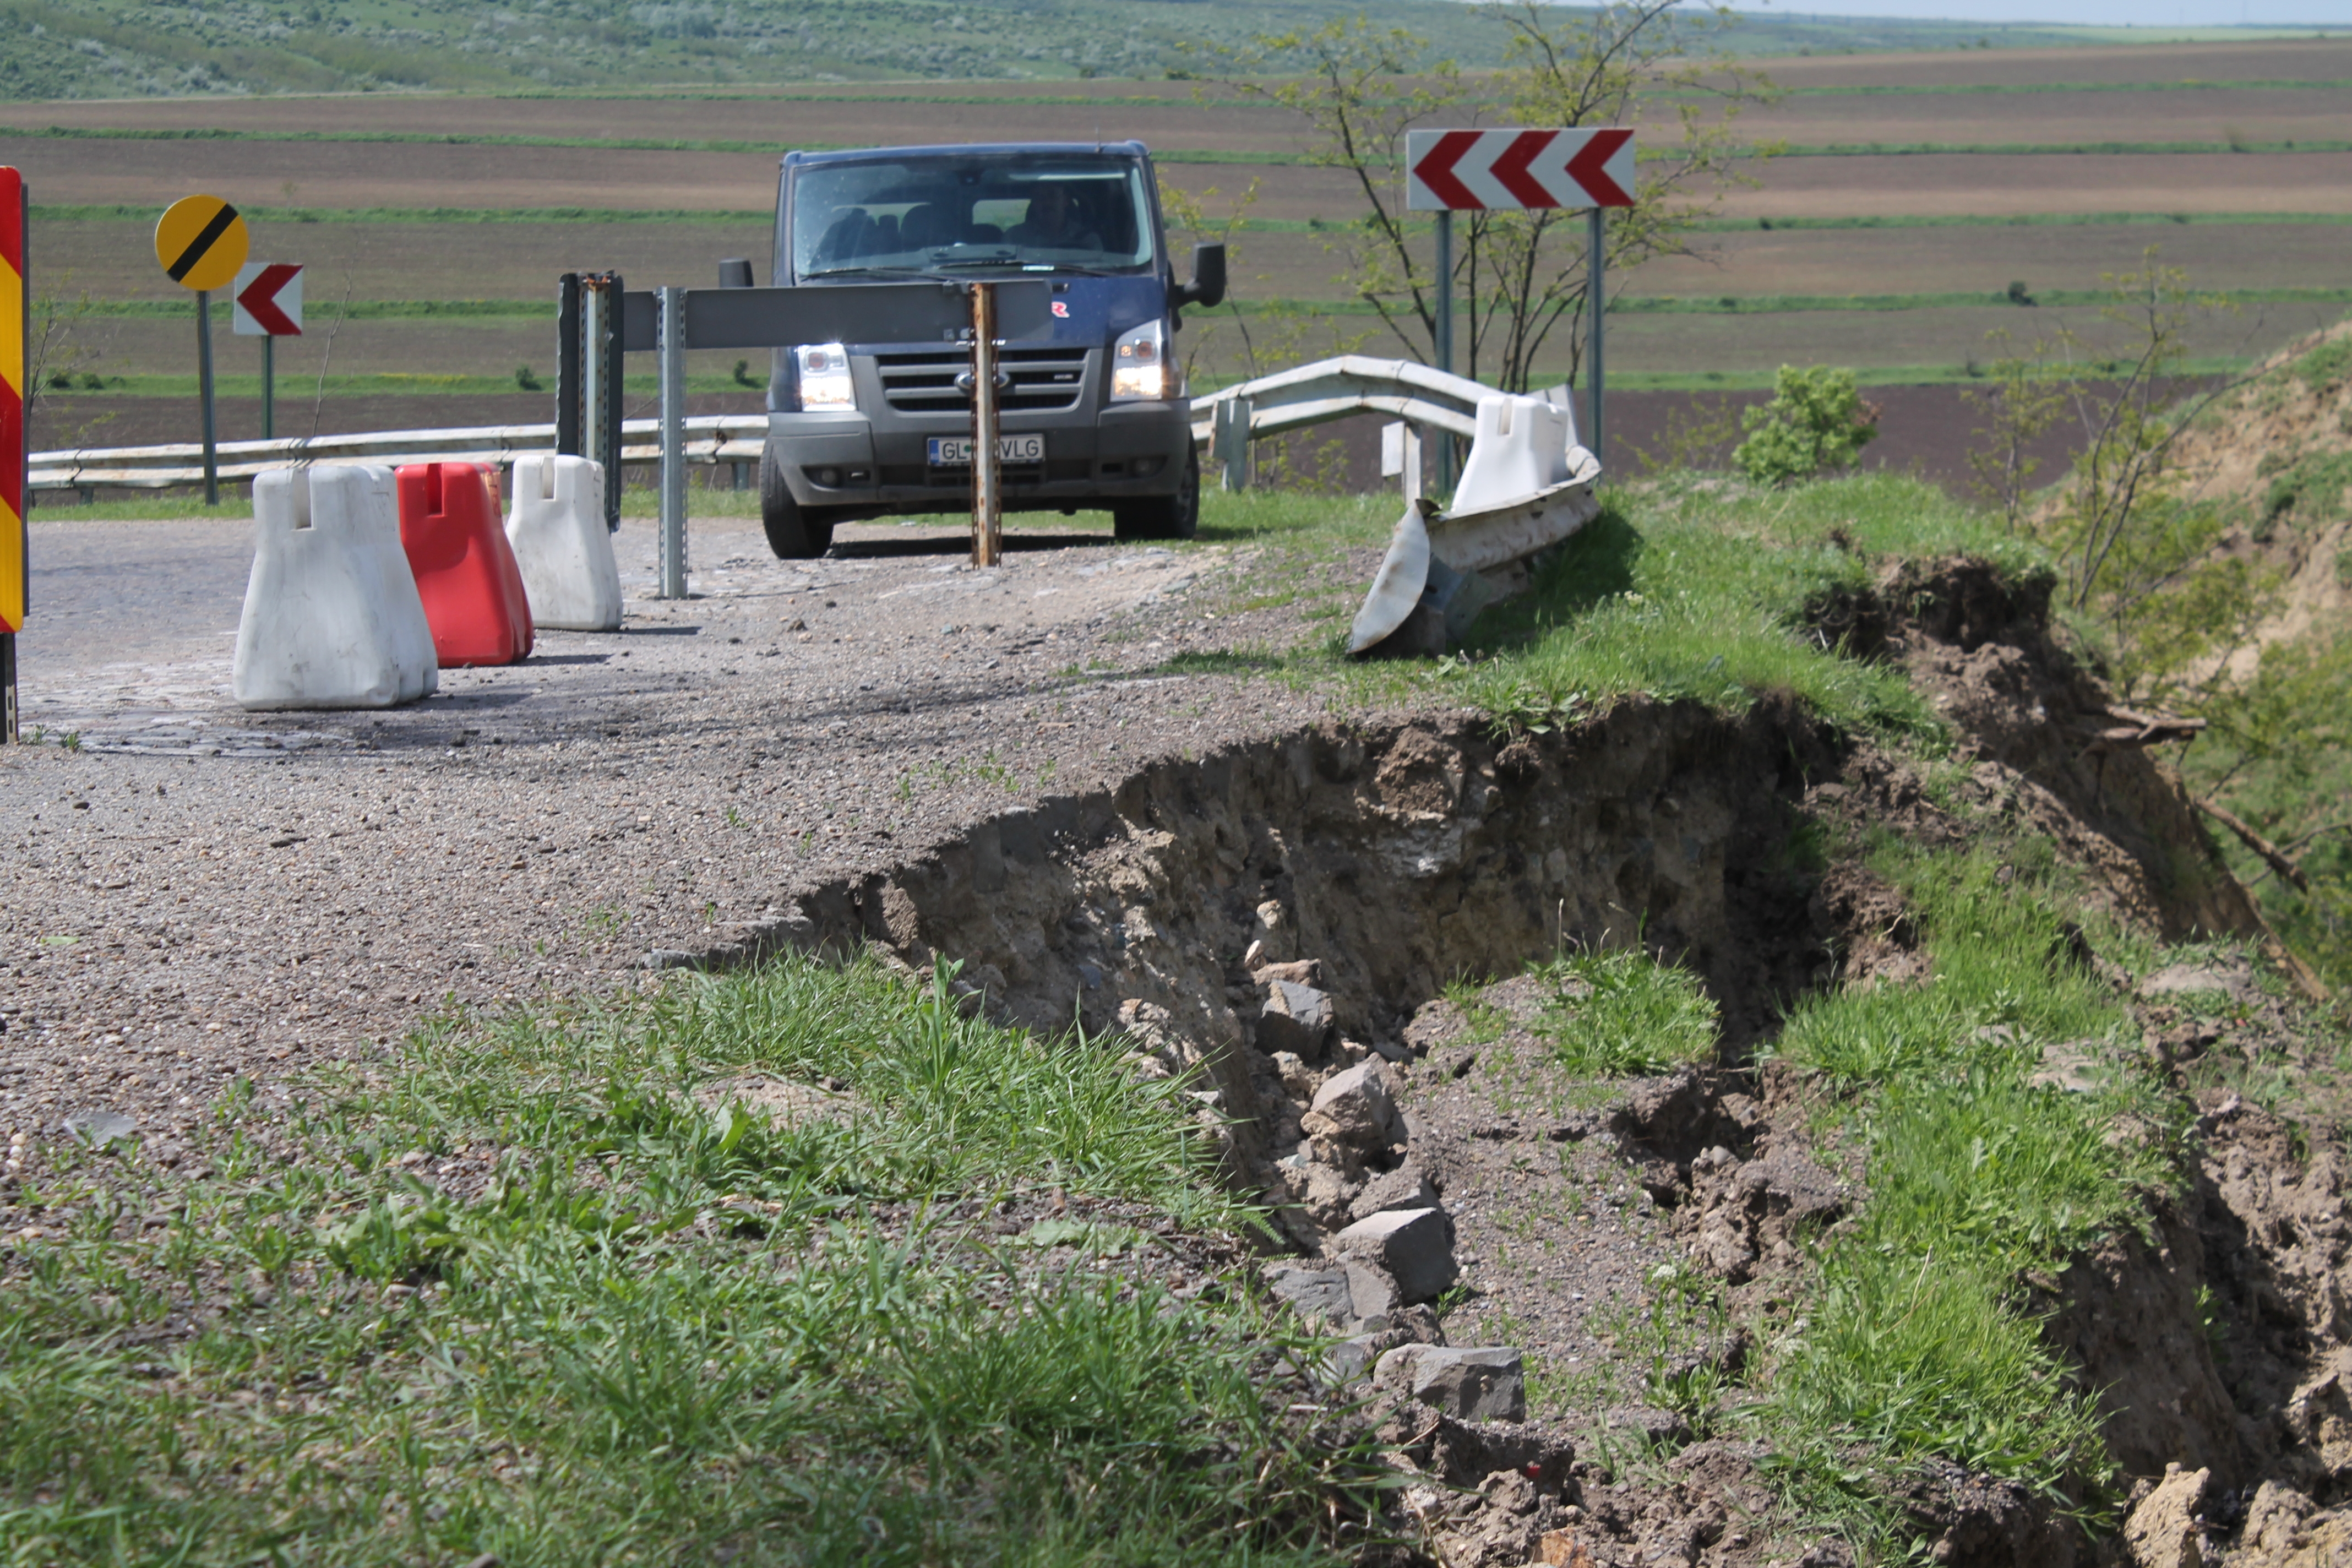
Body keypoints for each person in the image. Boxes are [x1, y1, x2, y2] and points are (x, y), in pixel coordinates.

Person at [1006, 181, 1101, 251]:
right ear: (1034, 203)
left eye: (1053, 195)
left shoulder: (1088, 240)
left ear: (1066, 200)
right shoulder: (1014, 237)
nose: (1047, 203)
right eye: (1040, 197)